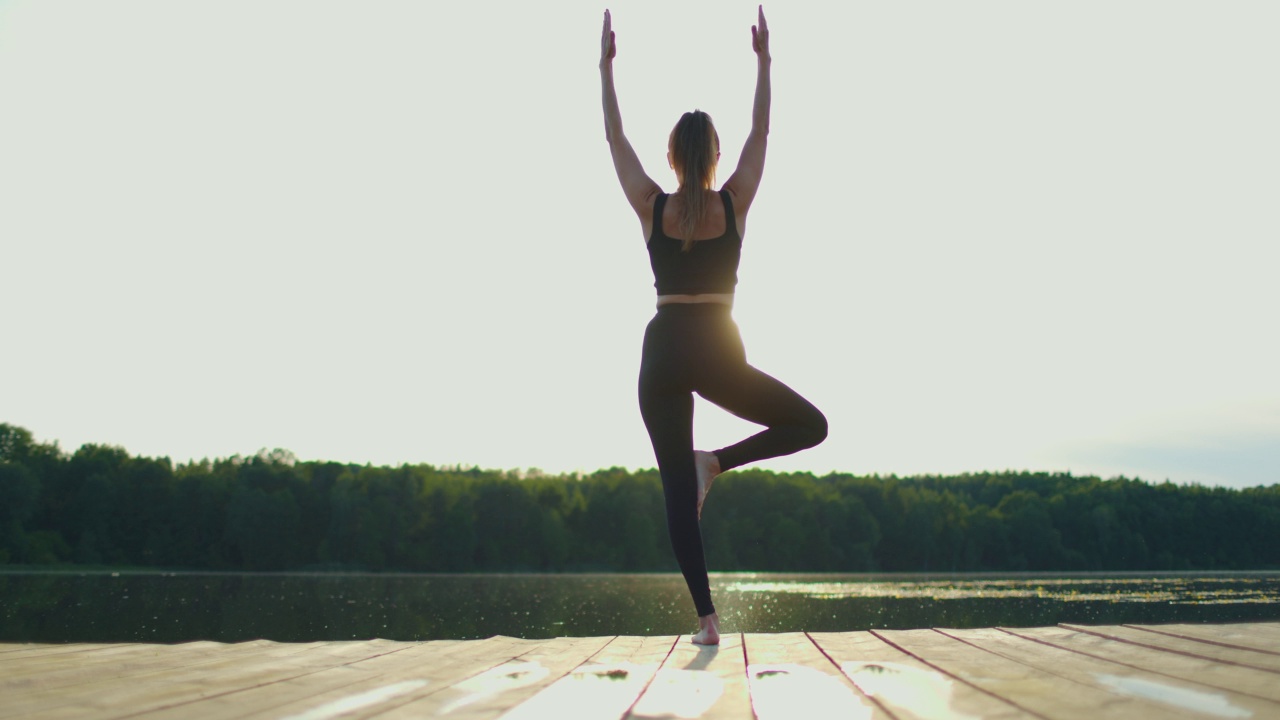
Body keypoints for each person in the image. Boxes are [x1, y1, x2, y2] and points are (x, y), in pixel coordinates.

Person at [599, 6, 828, 646]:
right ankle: (718, 463)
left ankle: (707, 623)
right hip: (717, 347)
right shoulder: (734, 203)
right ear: (715, 155)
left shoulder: (651, 206)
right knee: (810, 425)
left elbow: (613, 139)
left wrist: (605, 70)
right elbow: (763, 130)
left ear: (670, 155)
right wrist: (764, 62)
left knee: (676, 489)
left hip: (664, 347)